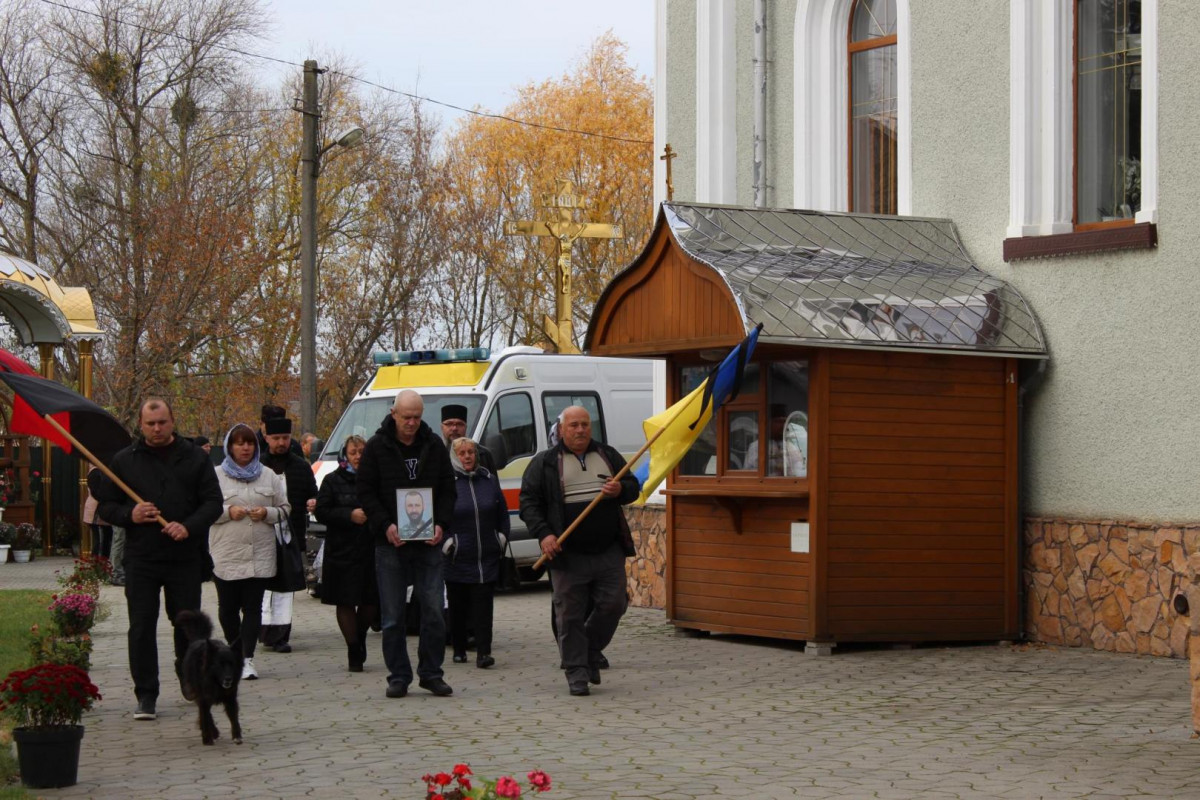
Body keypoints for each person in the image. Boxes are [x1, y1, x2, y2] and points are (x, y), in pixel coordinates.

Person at [91, 397, 223, 721]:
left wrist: (188, 526)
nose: (157, 428)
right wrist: (130, 513)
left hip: (184, 556)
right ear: (140, 424)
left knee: (188, 625)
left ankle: (189, 675)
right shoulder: (124, 461)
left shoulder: (195, 457)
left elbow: (213, 502)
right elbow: (105, 507)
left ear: (172, 420)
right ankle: (146, 694)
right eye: (150, 423)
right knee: (141, 626)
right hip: (142, 558)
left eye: (162, 422)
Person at [519, 405, 639, 697]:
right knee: (569, 614)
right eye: (573, 425)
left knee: (614, 604)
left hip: (608, 549)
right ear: (561, 430)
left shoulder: (608, 455)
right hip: (566, 553)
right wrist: (544, 534)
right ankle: (577, 673)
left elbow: (633, 486)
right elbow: (528, 503)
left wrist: (620, 490)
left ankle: (587, 651)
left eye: (585, 424)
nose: (580, 429)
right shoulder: (545, 463)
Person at [356, 389, 455, 698]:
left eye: (417, 417)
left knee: (434, 610)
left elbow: (448, 491)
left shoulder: (434, 445)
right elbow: (366, 492)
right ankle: (398, 675)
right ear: (393, 413)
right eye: (406, 417)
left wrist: (441, 524)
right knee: (393, 615)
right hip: (391, 544)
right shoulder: (376, 447)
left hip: (428, 542)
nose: (411, 423)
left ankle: (431, 673)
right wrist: (384, 525)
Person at [209, 423, 289, 681]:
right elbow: (203, 510)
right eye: (239, 443)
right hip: (226, 552)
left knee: (253, 607)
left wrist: (268, 513)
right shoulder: (215, 475)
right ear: (229, 447)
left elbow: (286, 508)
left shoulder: (268, 476)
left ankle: (246, 658)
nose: (245, 448)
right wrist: (226, 512)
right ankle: (233, 654)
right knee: (227, 609)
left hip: (260, 552)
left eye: (250, 443)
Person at [314, 435, 380, 672]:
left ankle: (360, 636)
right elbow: (322, 511)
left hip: (370, 548)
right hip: (341, 549)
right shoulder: (332, 480)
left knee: (370, 601)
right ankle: (353, 647)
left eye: (362, 451)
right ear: (345, 454)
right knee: (345, 601)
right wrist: (349, 515)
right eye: (354, 452)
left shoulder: (375, 478)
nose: (358, 456)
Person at [444, 437, 509, 669]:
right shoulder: (447, 483)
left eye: (471, 452)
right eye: (462, 453)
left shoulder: (488, 480)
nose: (468, 456)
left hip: (486, 556)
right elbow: (439, 518)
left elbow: (502, 511)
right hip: (458, 556)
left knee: (483, 607)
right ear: (454, 456)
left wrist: (501, 537)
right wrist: (448, 543)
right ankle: (459, 649)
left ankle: (484, 652)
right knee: (458, 606)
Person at [258, 415, 318, 653]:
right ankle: (261, 629)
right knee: (262, 585)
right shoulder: (258, 466)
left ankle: (281, 634)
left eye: (285, 437)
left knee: (285, 586)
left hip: (290, 534)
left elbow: (312, 493)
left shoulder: (301, 466)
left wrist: (314, 502)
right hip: (261, 533)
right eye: (276, 438)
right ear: (266, 438)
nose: (281, 443)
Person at [439, 404, 496, 472]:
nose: (454, 428)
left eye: (459, 424)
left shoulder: (483, 455)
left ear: (466, 427)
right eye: (449, 424)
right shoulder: (434, 455)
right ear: (442, 427)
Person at [82, 465, 113, 559]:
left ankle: (104, 563)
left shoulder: (101, 471)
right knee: (100, 540)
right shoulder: (95, 472)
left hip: (102, 510)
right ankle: (98, 565)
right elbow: (96, 492)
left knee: (106, 539)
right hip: (96, 511)